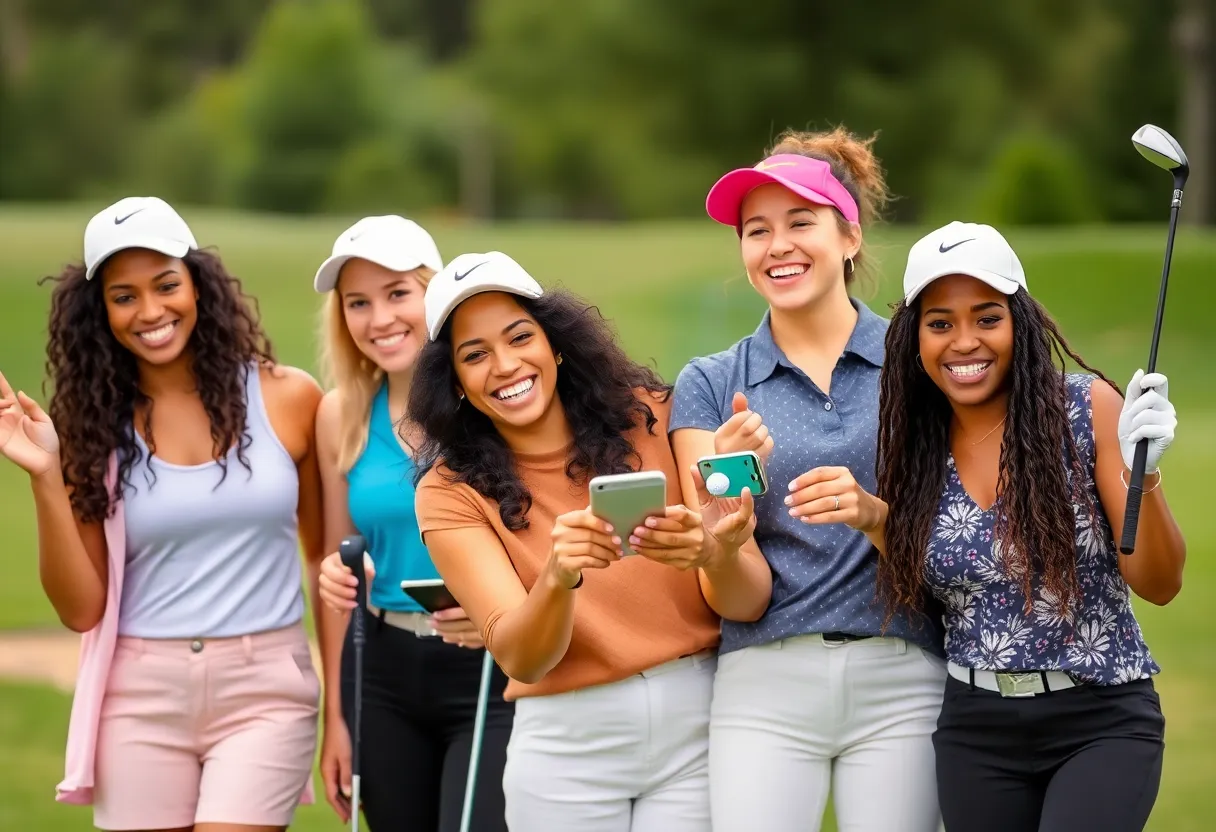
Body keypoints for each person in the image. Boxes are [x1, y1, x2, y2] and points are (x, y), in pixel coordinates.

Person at [405, 250, 760, 832]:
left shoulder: (656, 416)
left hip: (699, 720)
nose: (504, 365)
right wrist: (557, 576)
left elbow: (747, 602)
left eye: (520, 337)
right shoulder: (449, 492)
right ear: (457, 385)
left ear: (556, 344)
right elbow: (521, 656)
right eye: (475, 356)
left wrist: (717, 545)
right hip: (565, 751)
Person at [0, 196, 325, 831]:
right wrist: (45, 477)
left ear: (198, 285)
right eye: (124, 296)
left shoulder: (288, 397)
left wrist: (341, 705)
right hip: (140, 696)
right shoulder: (89, 432)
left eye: (166, 285)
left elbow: (327, 561)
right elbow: (81, 610)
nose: (150, 311)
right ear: (101, 312)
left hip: (266, 690)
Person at [667, 127, 948, 832]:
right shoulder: (711, 385)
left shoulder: (919, 359)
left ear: (849, 236)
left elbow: (955, 553)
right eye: (755, 230)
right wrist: (725, 532)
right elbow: (741, 599)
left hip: (904, 676)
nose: (777, 245)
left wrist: (874, 515)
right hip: (764, 686)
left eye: (800, 222)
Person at [865, 220, 1183, 832]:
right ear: (914, 337)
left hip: (1099, 716)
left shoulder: (1089, 409)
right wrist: (873, 521)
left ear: (1020, 324)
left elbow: (1161, 584)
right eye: (940, 323)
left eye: (987, 318)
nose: (965, 341)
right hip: (975, 728)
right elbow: (935, 596)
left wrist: (1144, 476)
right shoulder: (912, 444)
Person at [309, 215, 513, 831]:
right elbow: (335, 557)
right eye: (358, 303)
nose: (379, 319)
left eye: (398, 292)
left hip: (488, 663)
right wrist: (336, 718)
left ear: (435, 292)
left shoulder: (492, 399)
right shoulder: (338, 415)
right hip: (381, 673)